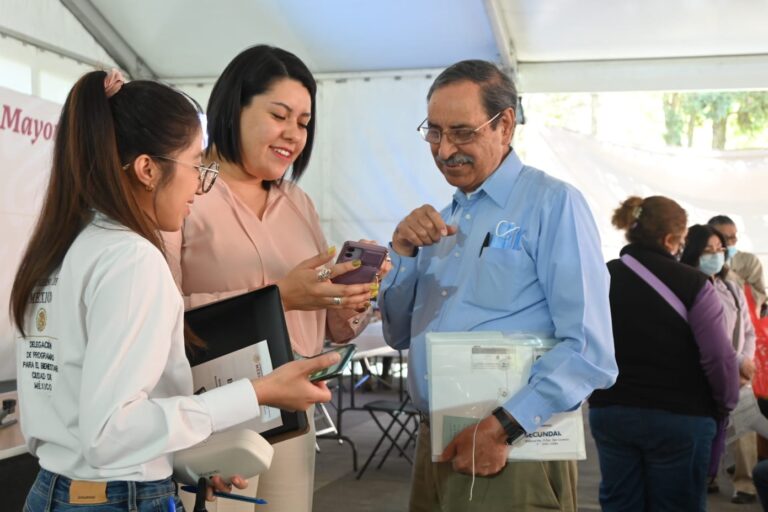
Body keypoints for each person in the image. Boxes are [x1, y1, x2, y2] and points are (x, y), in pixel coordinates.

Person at [9, 70, 339, 511]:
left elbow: (79, 427)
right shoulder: (130, 258)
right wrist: (259, 392)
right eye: (197, 164)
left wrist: (185, 460)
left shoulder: (59, 248)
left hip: (55, 489)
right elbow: (112, 432)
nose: (201, 185)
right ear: (147, 169)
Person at [379, 59, 618, 512]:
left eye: (462, 132)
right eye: (434, 132)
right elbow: (397, 332)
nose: (445, 150)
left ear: (505, 124)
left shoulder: (553, 204)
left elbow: (589, 348)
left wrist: (502, 427)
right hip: (438, 439)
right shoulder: (443, 221)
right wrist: (402, 252)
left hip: (513, 444)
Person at [162, 45, 380, 512]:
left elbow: (327, 328)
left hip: (291, 419)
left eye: (303, 122)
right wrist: (279, 297)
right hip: (210, 418)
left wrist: (349, 300)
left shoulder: (299, 204)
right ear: (233, 107)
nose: (294, 135)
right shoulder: (184, 192)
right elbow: (159, 312)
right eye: (279, 115)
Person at [587, 197, 739, 511]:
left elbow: (584, 338)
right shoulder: (694, 284)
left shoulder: (600, 277)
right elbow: (718, 356)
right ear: (670, 240)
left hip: (612, 412)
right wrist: (726, 402)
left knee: (621, 504)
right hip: (680, 418)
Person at [681, 224, 758, 504]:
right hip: (705, 372)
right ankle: (705, 478)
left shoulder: (732, 287)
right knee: (705, 432)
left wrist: (744, 362)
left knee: (744, 430)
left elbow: (747, 330)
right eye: (707, 250)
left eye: (720, 249)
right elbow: (706, 337)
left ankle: (745, 483)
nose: (715, 255)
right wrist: (737, 362)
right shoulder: (686, 287)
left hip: (738, 374)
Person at [709, 215, 767, 317]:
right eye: (727, 238)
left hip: (746, 317)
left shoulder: (749, 260)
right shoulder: (704, 261)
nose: (734, 240)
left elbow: (759, 296)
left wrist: (726, 272)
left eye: (735, 235)